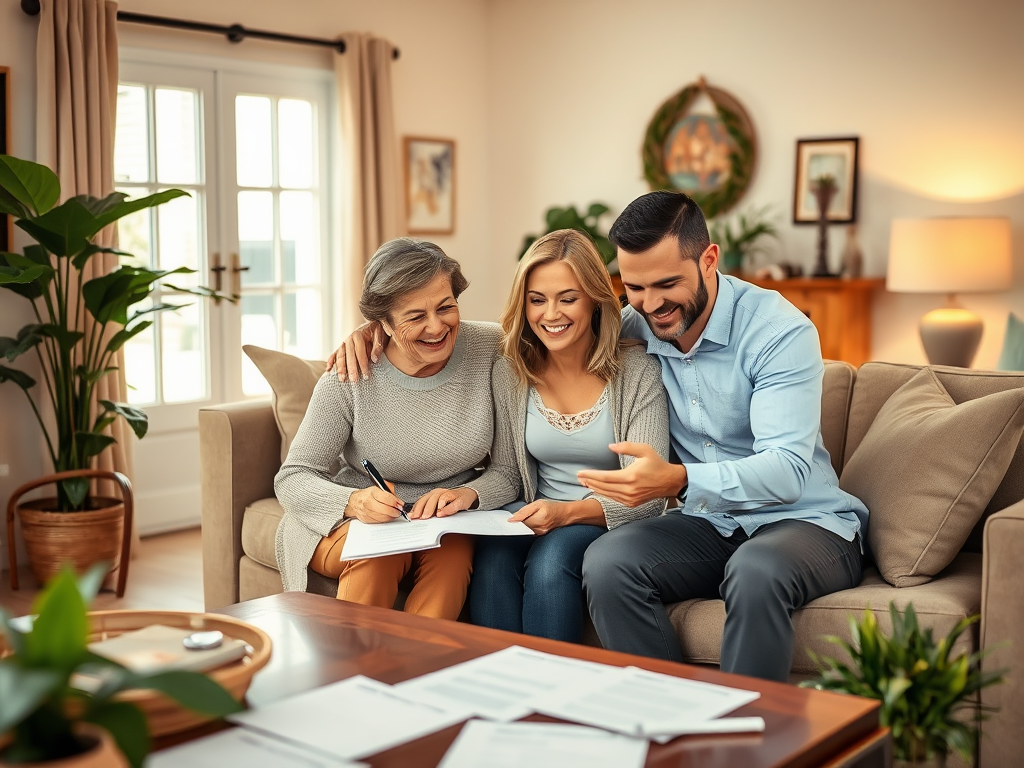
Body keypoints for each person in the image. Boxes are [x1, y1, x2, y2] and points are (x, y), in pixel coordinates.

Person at [575, 190, 869, 682]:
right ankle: (673, 729)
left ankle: (745, 746)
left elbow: (788, 471)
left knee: (755, 570)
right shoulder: (633, 328)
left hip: (807, 523)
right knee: (607, 563)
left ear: (709, 259)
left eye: (667, 283)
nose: (651, 304)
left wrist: (678, 481)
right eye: (635, 287)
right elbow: (546, 350)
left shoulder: (778, 331)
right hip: (709, 524)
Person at [274, 238, 516, 620]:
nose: (436, 327)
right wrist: (354, 503)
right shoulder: (350, 374)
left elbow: (508, 471)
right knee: (379, 558)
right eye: (415, 317)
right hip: (352, 519)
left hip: (447, 523)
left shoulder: (492, 349)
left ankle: (418, 671)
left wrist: (469, 493)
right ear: (381, 324)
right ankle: (348, 673)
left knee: (453, 561)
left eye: (446, 307)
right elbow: (292, 477)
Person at [469, 230, 669, 643]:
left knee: (551, 560)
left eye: (568, 298)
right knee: (490, 560)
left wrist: (565, 514)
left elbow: (647, 494)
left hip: (603, 519)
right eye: (537, 299)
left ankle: (554, 701)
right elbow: (507, 472)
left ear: (595, 298)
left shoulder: (637, 371)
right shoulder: (511, 370)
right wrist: (468, 495)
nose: (551, 313)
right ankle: (499, 694)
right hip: (534, 514)